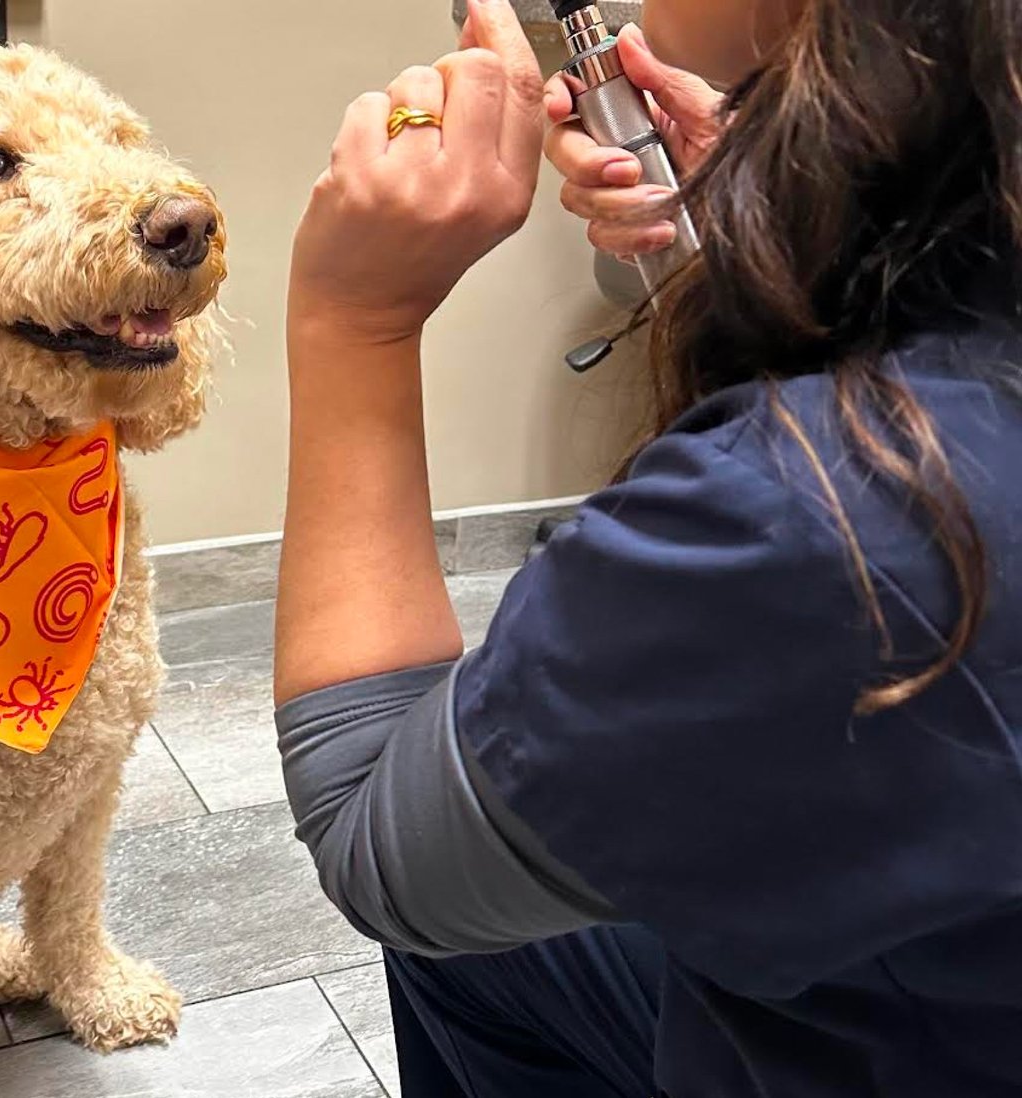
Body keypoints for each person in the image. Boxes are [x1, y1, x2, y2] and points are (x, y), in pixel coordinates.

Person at [274, 0, 1022, 1094]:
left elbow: (376, 839)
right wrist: (773, 220)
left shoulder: (822, 522)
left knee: (462, 935)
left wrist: (353, 317)